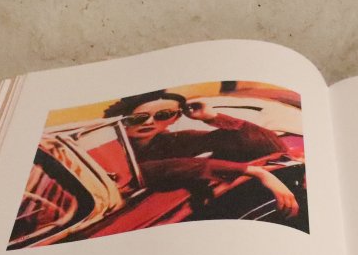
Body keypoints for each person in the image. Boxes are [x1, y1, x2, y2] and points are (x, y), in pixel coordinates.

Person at [103, 91, 299, 218]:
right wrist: (254, 172)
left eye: (163, 115)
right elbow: (163, 169)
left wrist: (212, 117)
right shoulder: (107, 146)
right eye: (138, 118)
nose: (149, 123)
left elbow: (271, 146)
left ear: (174, 118)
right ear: (121, 120)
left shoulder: (169, 140)